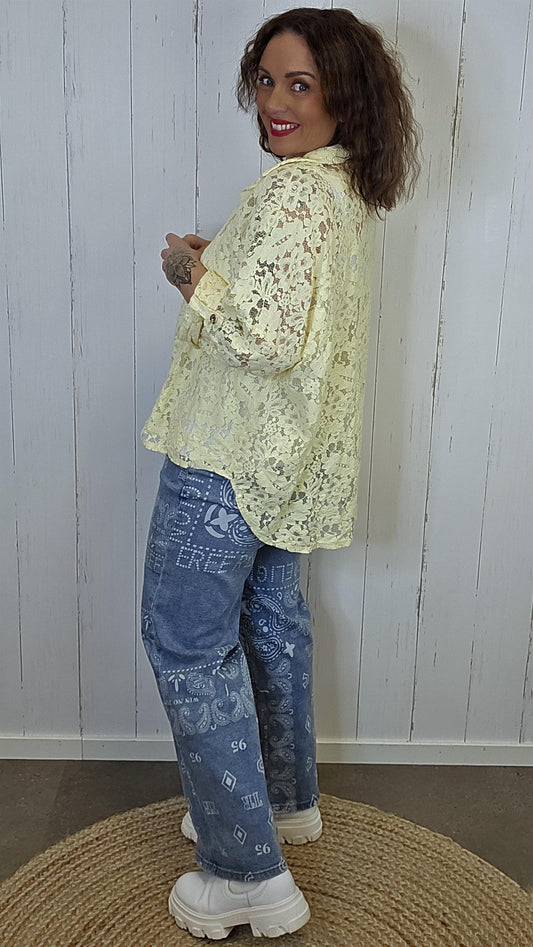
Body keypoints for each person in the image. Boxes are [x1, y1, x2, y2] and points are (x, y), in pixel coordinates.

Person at [140, 6, 420, 939]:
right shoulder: (341, 192)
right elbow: (294, 319)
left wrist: (189, 271)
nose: (275, 102)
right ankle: (284, 803)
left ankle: (243, 871)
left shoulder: (291, 194)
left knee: (187, 645)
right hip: (288, 465)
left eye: (300, 84)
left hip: (227, 456)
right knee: (270, 624)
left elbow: (260, 338)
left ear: (345, 94)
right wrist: (223, 261)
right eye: (267, 80)